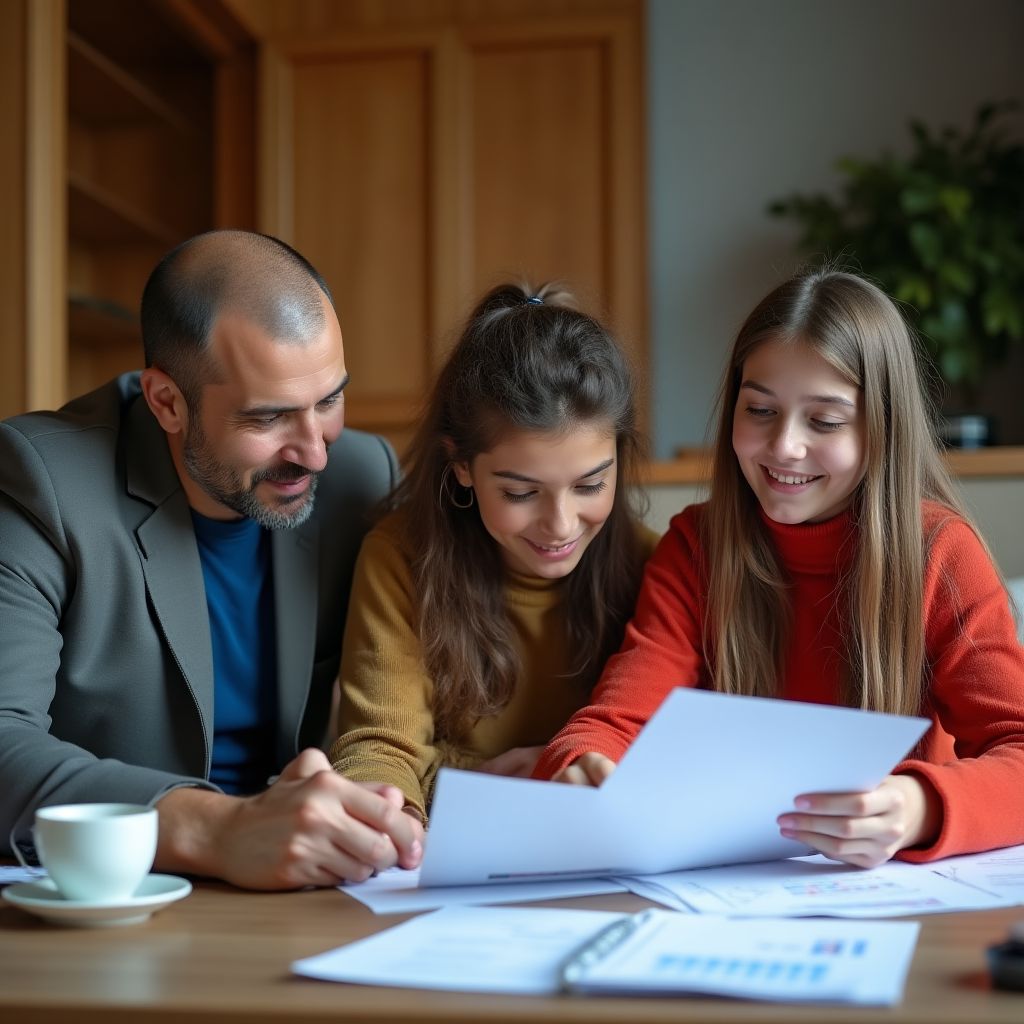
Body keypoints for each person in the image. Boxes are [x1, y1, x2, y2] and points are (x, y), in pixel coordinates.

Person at [534, 268, 1024, 867]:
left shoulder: (940, 553)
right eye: (760, 410)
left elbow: (1017, 749)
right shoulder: (696, 549)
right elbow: (616, 720)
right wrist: (580, 762)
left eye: (825, 420)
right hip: (725, 890)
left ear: (882, 428)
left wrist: (918, 805)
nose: (784, 446)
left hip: (894, 899)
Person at [0, 230, 422, 889]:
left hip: (302, 891)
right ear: (167, 402)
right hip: (121, 896)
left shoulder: (361, 476)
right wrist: (215, 828)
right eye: (270, 418)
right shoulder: (42, 481)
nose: (315, 451)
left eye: (330, 400)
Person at [329, 282, 658, 820]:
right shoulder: (401, 560)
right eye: (520, 493)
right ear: (461, 466)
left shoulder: (655, 564)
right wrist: (457, 791)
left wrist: (460, 774)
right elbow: (380, 753)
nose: (560, 524)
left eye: (590, 485)